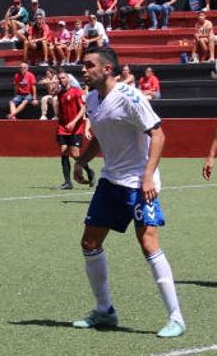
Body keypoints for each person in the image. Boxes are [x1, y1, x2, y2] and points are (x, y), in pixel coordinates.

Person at [71, 46, 185, 338]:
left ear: (107, 69)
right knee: (89, 242)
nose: (82, 70)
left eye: (88, 65)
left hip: (138, 183)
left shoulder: (131, 97)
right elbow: (100, 135)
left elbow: (158, 134)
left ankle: (176, 318)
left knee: (148, 243)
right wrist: (82, 161)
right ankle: (105, 310)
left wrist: (148, 177)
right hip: (111, 180)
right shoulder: (92, 98)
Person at [56, 70, 93, 190]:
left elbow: (83, 108)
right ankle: (68, 182)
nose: (61, 80)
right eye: (59, 78)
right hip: (63, 127)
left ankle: (89, 171)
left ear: (68, 79)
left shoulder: (76, 91)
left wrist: (74, 122)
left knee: (75, 154)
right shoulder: (60, 93)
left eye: (63, 78)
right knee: (63, 152)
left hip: (76, 127)